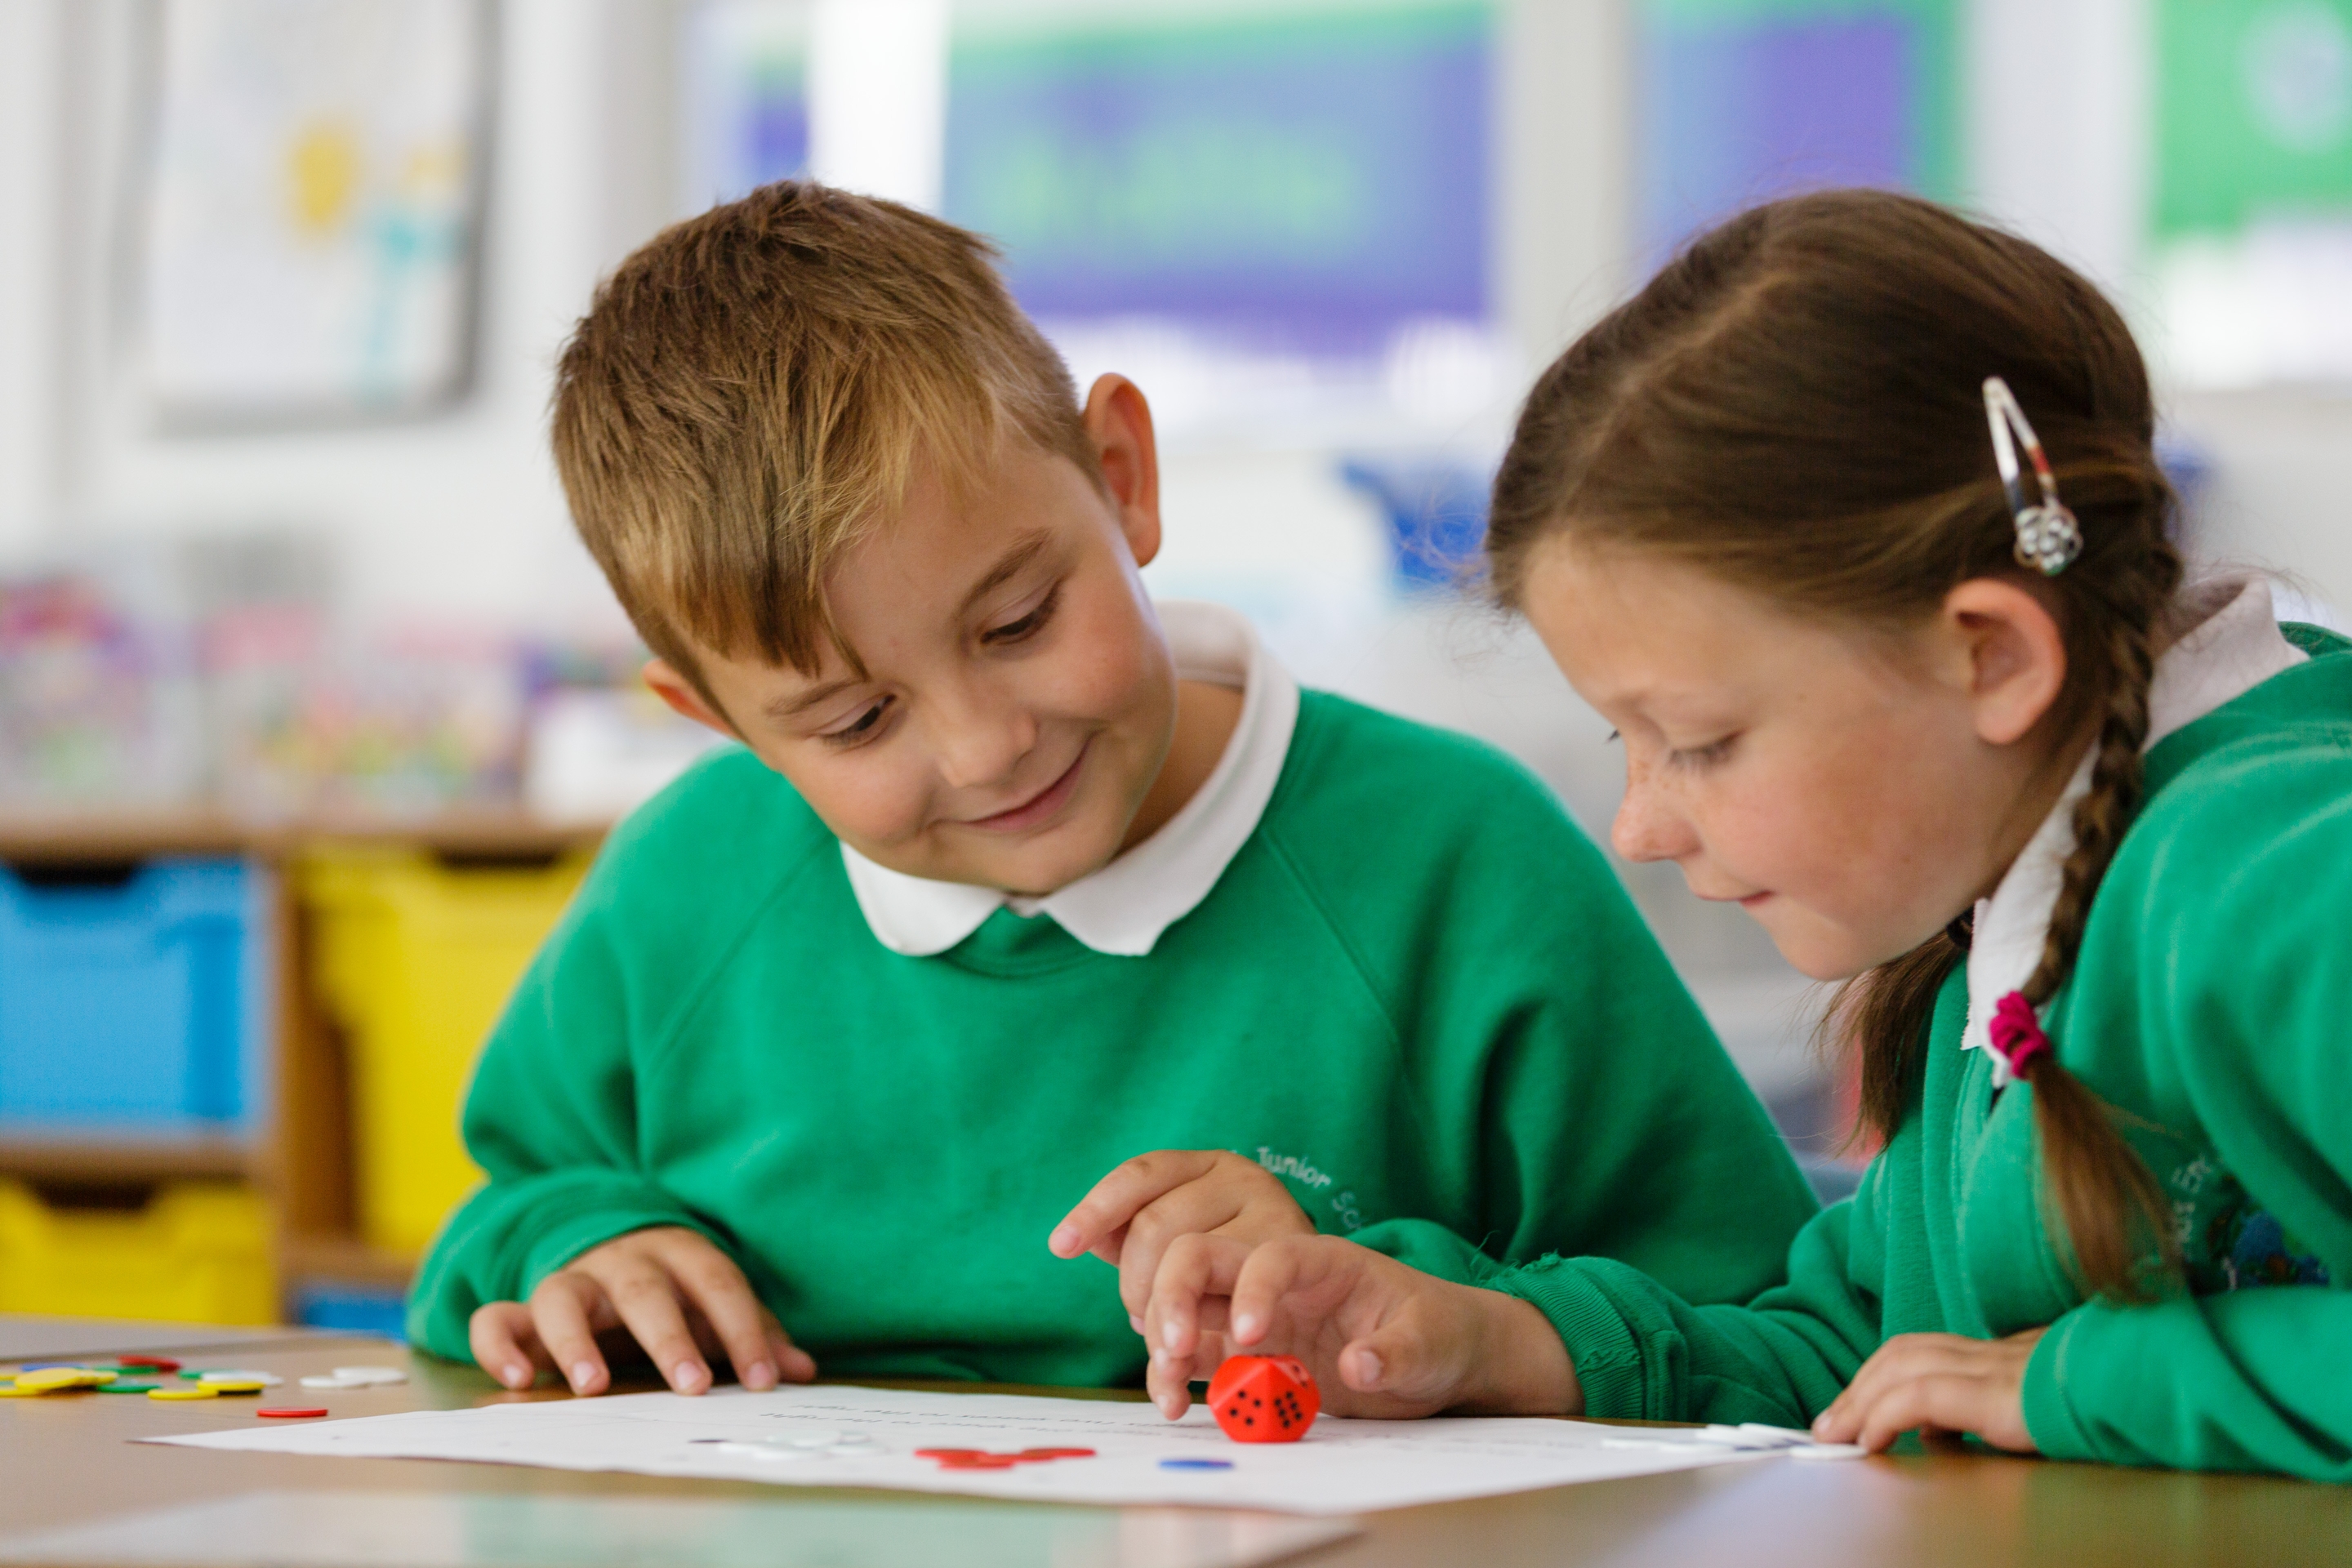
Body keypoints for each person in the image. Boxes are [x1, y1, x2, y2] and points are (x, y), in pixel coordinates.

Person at [405, 181, 1819, 1396]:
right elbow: (503, 1215)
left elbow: (1772, 1333)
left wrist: (1404, 1298)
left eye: (1017, 623)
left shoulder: (1460, 860)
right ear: (716, 720)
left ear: (1123, 478)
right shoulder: (684, 886)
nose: (985, 749)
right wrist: (575, 1247)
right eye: (853, 718)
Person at [1134, 189, 2352, 1478]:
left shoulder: (2281, 880)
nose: (1639, 825)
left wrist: (2082, 1382)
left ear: (1992, 658)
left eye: (1701, 742)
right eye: (1627, 743)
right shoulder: (2022, 905)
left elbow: (2015, 1379)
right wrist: (1498, 1343)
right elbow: (1868, 1356)